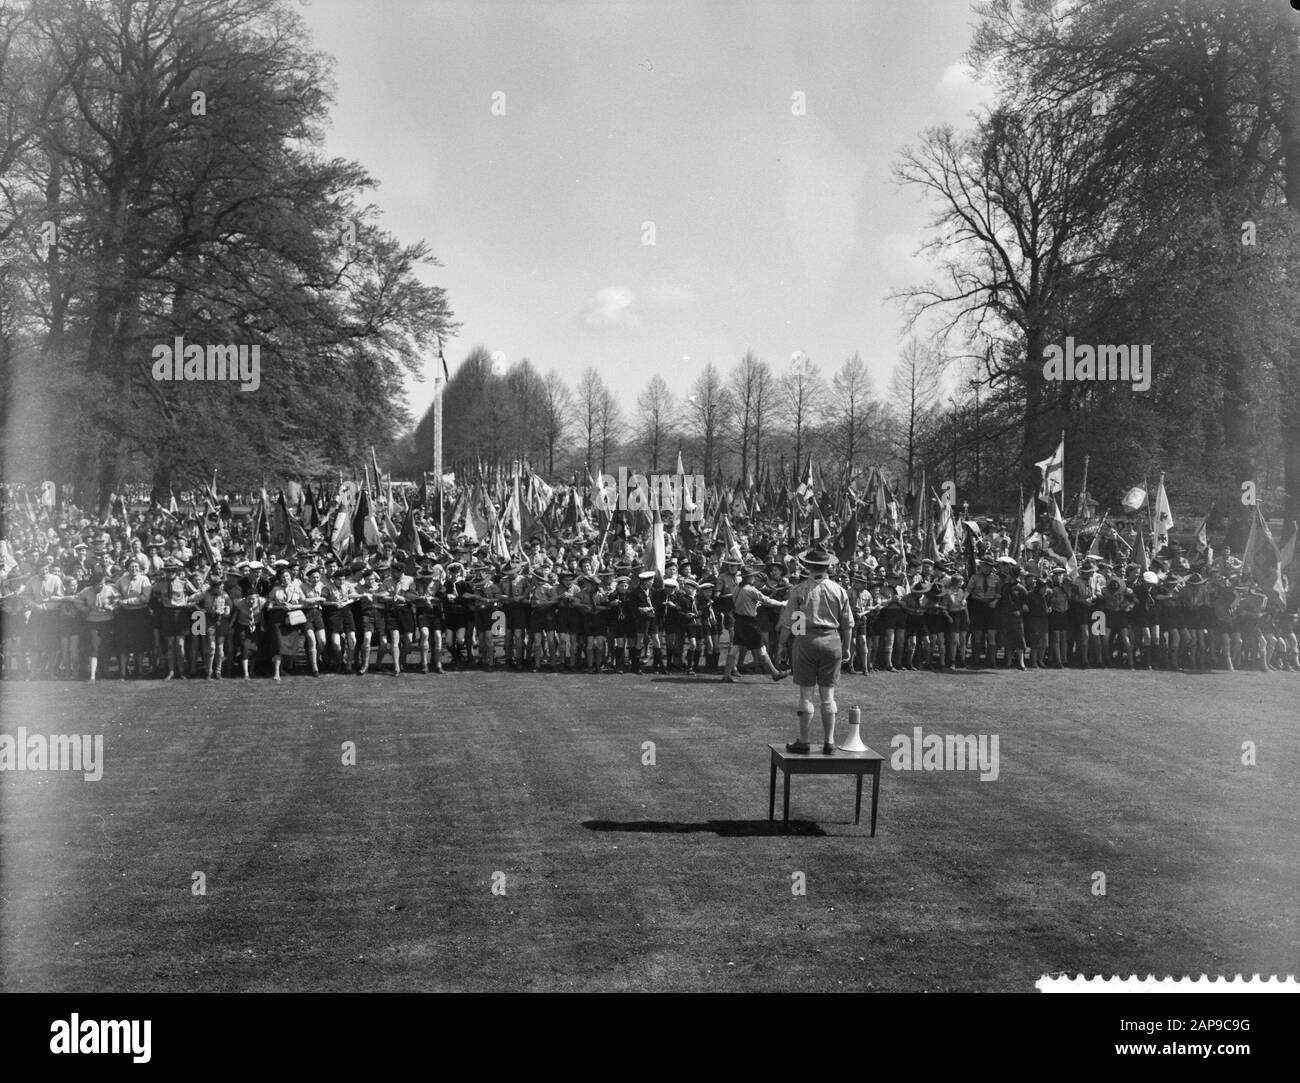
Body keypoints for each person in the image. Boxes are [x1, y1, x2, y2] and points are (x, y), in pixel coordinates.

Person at [777, 545, 855, 755]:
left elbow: (793, 624)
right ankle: (829, 742)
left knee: (806, 694)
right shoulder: (839, 590)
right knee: (828, 695)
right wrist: (847, 648)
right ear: (828, 566)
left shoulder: (799, 590)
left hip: (806, 639)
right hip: (832, 640)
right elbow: (847, 624)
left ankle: (804, 741)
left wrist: (782, 644)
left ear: (808, 565)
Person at [722, 564, 790, 683]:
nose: (753, 578)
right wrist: (782, 603)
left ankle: (726, 675)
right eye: (752, 576)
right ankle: (775, 673)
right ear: (749, 577)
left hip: (739, 621)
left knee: (735, 647)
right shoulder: (751, 590)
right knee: (761, 648)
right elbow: (766, 600)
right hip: (750, 622)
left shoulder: (736, 588)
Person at [75, 571, 118, 681]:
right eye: (98, 584)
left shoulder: (110, 589)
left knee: (106, 646)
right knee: (94, 647)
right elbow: (77, 600)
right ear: (93, 584)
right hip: (92, 622)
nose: (101, 586)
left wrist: (111, 607)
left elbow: (118, 599)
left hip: (107, 621)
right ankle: (93, 674)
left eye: (103, 583)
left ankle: (106, 670)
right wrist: (86, 609)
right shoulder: (86, 591)